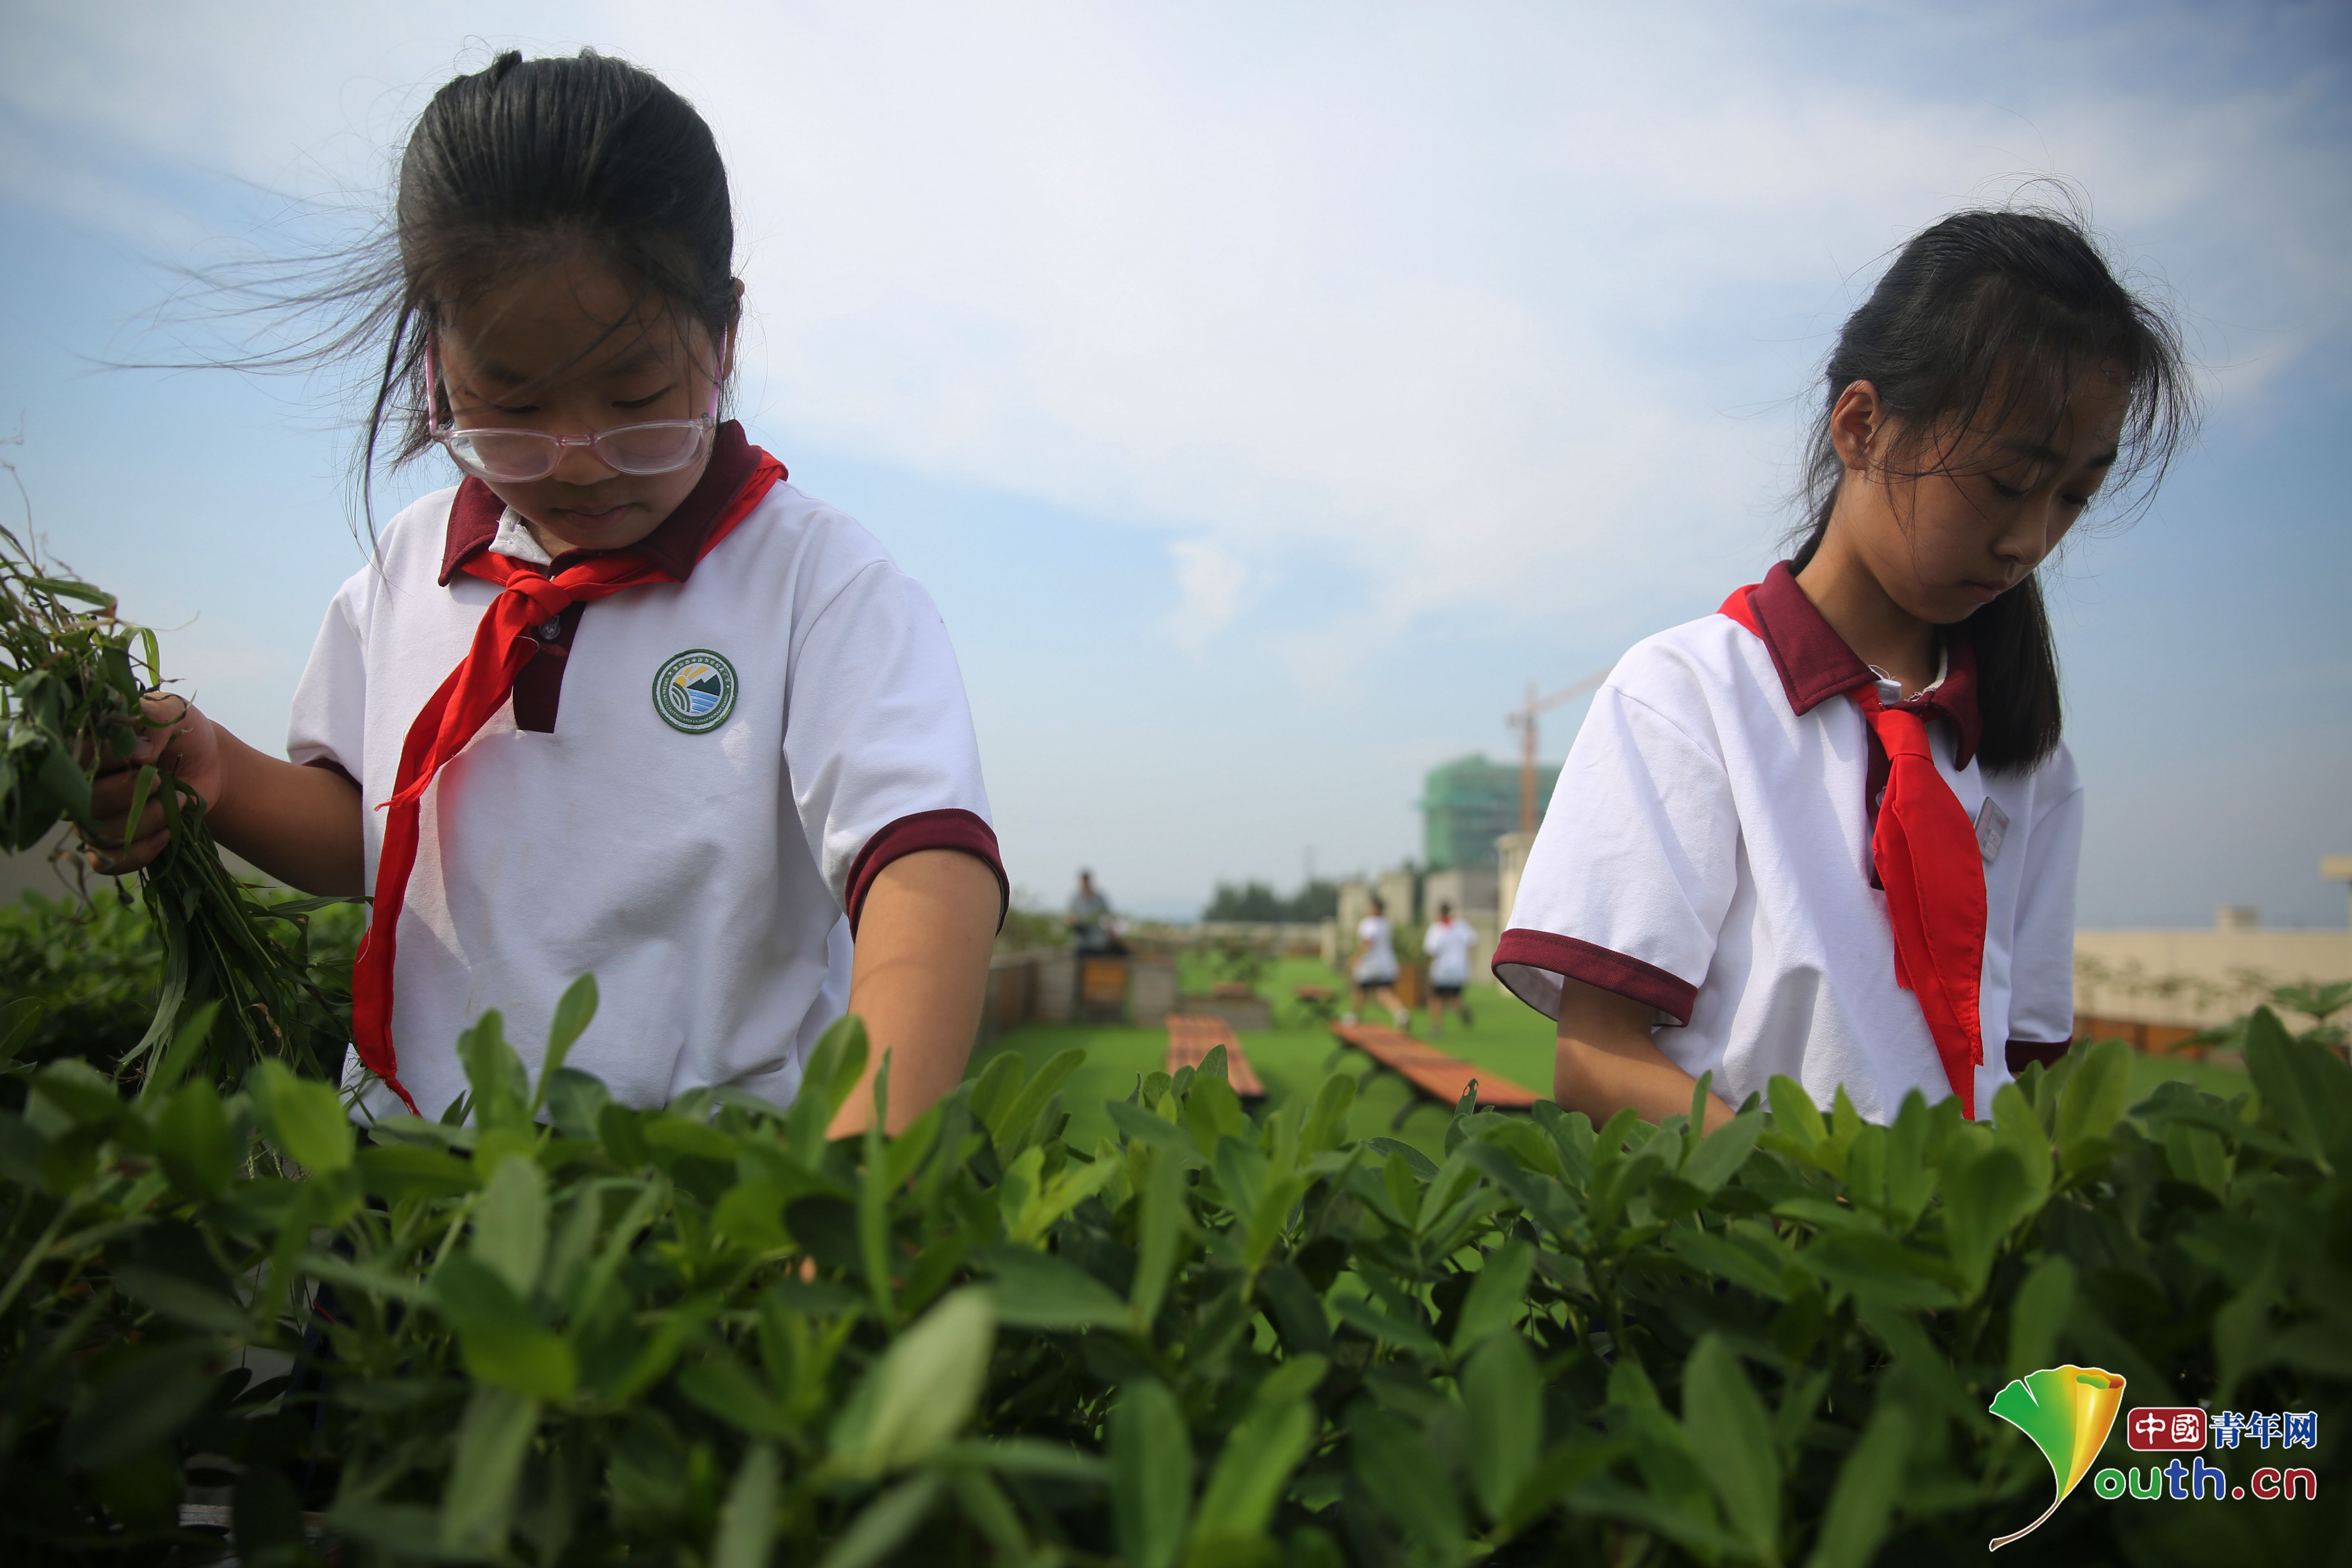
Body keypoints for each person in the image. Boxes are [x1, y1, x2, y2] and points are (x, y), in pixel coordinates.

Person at [80, 50, 1005, 1133]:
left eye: (638, 400)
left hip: (695, 1213)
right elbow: (372, 837)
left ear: (725, 339)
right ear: (438, 364)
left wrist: (859, 1194)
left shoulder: (814, 582)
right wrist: (216, 775)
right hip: (409, 1191)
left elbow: (922, 863)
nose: (576, 459)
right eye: (510, 408)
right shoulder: (404, 569)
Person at [1494, 207, 2192, 1129]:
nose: (2031, 540)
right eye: (2005, 482)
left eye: (2074, 497)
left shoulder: (2031, 765)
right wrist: (1848, 1210)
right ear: (1861, 427)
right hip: (1755, 1256)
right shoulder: (1691, 696)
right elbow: (1599, 1063)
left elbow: (2023, 1082)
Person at [1343, 895, 1410, 1029]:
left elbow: (1368, 943)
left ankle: (1355, 1017)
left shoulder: (1368, 924)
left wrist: (1356, 959)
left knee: (1360, 991)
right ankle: (1401, 1013)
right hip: (1387, 965)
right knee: (1385, 993)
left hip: (1370, 966)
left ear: (1374, 908)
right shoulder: (1387, 924)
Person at [1422, 901, 1477, 1034]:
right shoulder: (1462, 926)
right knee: (1453, 996)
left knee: (1436, 998)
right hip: (1459, 969)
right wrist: (1470, 962)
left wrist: (1428, 969)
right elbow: (1473, 943)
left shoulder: (1436, 929)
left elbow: (1431, 951)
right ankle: (1461, 1008)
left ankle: (1436, 1027)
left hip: (1442, 969)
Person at [1066, 869, 1125, 955]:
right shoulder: (1076, 899)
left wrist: (1110, 931)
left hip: (1099, 942)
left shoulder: (1099, 898)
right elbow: (1070, 917)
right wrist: (1075, 923)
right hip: (1082, 942)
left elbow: (1109, 916)